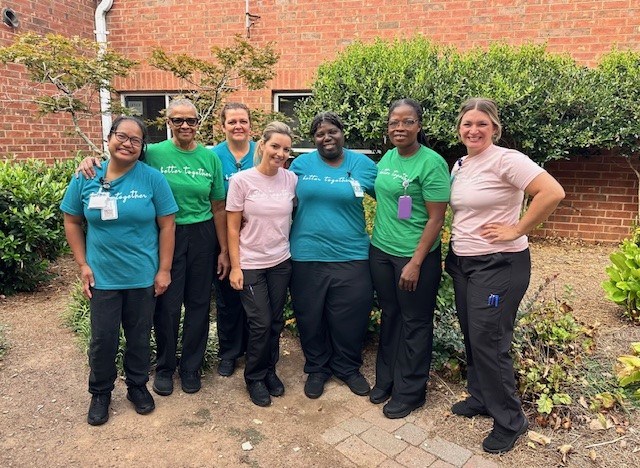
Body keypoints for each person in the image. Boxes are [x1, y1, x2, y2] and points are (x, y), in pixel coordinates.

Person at [77, 98, 229, 396]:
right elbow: (120, 163)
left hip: (202, 234)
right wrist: (90, 161)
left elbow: (219, 206)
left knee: (199, 304)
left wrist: (223, 249)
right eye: (178, 120)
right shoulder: (153, 153)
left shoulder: (210, 158)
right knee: (167, 305)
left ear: (198, 124)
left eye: (191, 120)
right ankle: (165, 367)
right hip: (165, 233)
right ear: (168, 123)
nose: (185, 125)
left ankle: (191, 368)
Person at [445, 97, 564, 453]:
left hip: (498, 264)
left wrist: (517, 228)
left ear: (495, 128)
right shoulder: (461, 164)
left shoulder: (507, 159)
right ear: (459, 129)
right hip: (464, 262)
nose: (474, 130)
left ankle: (511, 421)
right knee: (473, 334)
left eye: (482, 124)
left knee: (490, 340)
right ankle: (481, 398)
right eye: (468, 124)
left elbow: (552, 192)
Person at [62, 116, 178, 425]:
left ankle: (137, 387)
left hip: (142, 275)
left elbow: (167, 226)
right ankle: (100, 393)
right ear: (109, 138)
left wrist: (164, 269)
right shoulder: (86, 175)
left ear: (142, 147)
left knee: (139, 336)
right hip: (103, 277)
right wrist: (83, 264)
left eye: (136, 140)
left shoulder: (153, 179)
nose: (127, 143)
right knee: (103, 339)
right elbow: (72, 221)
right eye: (122, 136)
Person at [369, 98, 450, 419]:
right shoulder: (388, 157)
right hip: (382, 251)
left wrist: (415, 262)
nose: (399, 128)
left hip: (415, 258)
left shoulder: (431, 163)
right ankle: (386, 379)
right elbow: (386, 198)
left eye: (407, 122)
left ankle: (411, 391)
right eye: (393, 122)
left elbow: (436, 219)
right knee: (390, 315)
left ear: (419, 125)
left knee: (415, 323)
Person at [288, 112, 377, 399]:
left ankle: (348, 367)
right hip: (306, 253)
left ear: (342, 132)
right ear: (313, 139)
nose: (327, 138)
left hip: (352, 254)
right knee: (310, 314)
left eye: (332, 131)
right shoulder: (301, 164)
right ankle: (317, 368)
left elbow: (391, 198)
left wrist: (405, 221)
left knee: (350, 315)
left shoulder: (362, 164)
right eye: (319, 134)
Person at [226, 122, 297, 406]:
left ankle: (269, 370)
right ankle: (254, 377)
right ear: (262, 146)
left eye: (285, 148)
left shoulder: (290, 179)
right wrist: (235, 266)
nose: (280, 153)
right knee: (261, 322)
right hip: (251, 262)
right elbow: (232, 228)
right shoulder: (242, 181)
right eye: (275, 146)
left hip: (281, 260)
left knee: (276, 321)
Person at [211, 102, 255, 377]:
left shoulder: (262, 152)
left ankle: (254, 350)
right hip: (223, 238)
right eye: (232, 122)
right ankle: (229, 352)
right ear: (223, 125)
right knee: (227, 298)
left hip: (256, 239)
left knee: (255, 297)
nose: (238, 126)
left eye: (243, 121)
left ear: (251, 125)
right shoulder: (213, 156)